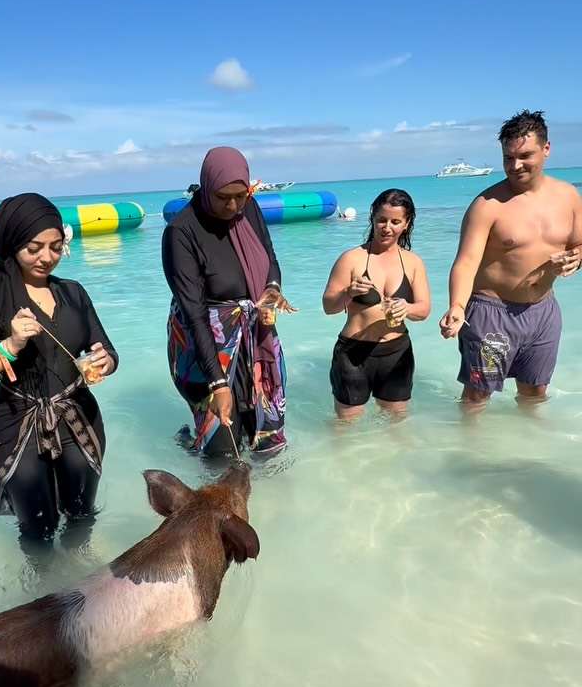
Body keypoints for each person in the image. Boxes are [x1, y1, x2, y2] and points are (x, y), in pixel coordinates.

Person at [0, 192, 118, 547]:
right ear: (12, 245)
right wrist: (8, 347)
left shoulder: (74, 294)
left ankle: (80, 586)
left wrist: (106, 360)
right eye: (34, 247)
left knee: (81, 517)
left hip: (79, 419)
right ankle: (41, 594)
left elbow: (105, 347)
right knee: (37, 529)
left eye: (56, 247)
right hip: (17, 424)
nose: (47, 257)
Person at [439, 110, 582, 407]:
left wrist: (576, 258)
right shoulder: (486, 205)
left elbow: (578, 244)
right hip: (491, 312)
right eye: (507, 158)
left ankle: (530, 450)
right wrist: (456, 306)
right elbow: (465, 262)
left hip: (543, 312)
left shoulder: (569, 196)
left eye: (525, 156)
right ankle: (468, 451)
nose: (515, 166)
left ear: (546, 149)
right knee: (478, 397)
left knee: (536, 392)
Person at [162, 146, 295, 459]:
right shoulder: (180, 232)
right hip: (205, 347)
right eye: (223, 197)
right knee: (221, 453)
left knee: (267, 446)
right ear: (207, 187)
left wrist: (271, 289)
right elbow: (194, 314)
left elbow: (269, 258)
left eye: (240, 195)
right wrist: (219, 384)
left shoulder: (248, 209)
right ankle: (193, 442)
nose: (233, 205)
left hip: (255, 338)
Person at [322, 189, 431, 418]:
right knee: (345, 427)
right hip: (353, 354)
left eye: (395, 221)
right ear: (372, 218)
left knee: (396, 425)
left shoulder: (413, 262)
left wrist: (407, 308)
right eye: (381, 220)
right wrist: (348, 292)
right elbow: (329, 307)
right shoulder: (351, 258)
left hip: (396, 352)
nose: (387, 227)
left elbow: (423, 309)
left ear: (406, 223)